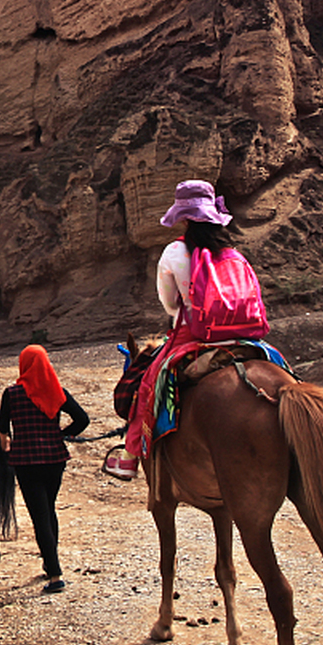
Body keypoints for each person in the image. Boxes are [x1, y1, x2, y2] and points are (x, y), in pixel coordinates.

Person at [105, 179, 267, 481]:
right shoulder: (233, 253)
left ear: (184, 217)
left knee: (147, 387)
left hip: (194, 335)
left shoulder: (175, 252)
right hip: (245, 334)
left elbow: (170, 305)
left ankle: (130, 456)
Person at [0, 344, 90, 593]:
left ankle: (55, 575)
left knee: (39, 516)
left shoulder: (11, 394)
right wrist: (63, 434)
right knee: (49, 509)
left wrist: (6, 444)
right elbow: (83, 419)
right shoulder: (57, 391)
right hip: (55, 458)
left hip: (26, 462)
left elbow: (2, 428)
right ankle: (50, 564)